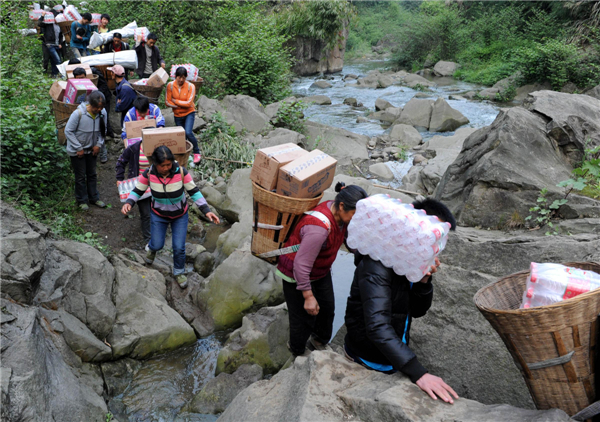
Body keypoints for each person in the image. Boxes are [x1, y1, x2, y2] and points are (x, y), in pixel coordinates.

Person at [343, 198, 459, 404]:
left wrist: (424, 281)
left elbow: (416, 310)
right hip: (368, 355)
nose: (433, 243)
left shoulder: (407, 259)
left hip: (391, 349)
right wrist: (418, 373)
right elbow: (377, 327)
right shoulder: (375, 265)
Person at [276, 182, 368, 357]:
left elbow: (346, 238)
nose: (357, 220)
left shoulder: (340, 214)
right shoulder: (318, 229)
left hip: (320, 270)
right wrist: (308, 296)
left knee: (327, 309)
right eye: (356, 215)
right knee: (302, 318)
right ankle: (297, 351)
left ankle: (318, 342)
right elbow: (301, 266)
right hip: (295, 274)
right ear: (342, 206)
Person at [121, 146, 220, 288]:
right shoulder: (149, 173)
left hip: (180, 215)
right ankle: (153, 249)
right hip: (158, 215)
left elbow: (194, 191)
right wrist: (129, 202)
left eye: (169, 164)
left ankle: (179, 272)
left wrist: (206, 210)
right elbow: (138, 190)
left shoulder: (180, 172)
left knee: (179, 247)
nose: (167, 168)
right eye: (163, 165)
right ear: (155, 163)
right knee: (157, 244)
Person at [64, 91, 108, 210]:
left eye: (101, 107)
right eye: (96, 107)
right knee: (80, 176)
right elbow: (68, 131)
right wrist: (78, 148)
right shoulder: (78, 113)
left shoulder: (103, 113)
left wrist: (98, 145)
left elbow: (103, 131)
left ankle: (94, 198)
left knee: (92, 174)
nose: (99, 109)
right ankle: (82, 200)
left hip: (92, 150)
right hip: (77, 151)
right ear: (90, 104)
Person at [70, 58, 115, 155]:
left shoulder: (92, 88)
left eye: (82, 78)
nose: (80, 80)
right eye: (78, 78)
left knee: (101, 129)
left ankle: (103, 153)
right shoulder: (72, 88)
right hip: (84, 114)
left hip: (97, 111)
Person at [115, 138, 153, 245]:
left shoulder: (158, 148)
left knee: (156, 210)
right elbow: (121, 162)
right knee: (145, 213)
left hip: (156, 184)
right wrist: (119, 178)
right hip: (140, 185)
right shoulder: (134, 149)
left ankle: (158, 235)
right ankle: (149, 241)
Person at [166, 67, 201, 164]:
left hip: (189, 112)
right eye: (179, 77)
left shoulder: (191, 86)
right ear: (175, 76)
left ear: (186, 77)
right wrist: (181, 104)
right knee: (181, 136)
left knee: (188, 132)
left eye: (183, 77)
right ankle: (183, 154)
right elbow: (167, 102)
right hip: (177, 115)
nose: (181, 80)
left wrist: (176, 101)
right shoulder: (170, 86)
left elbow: (189, 103)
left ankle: (197, 152)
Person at [37, 10, 64, 78]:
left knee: (53, 60)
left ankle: (54, 74)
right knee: (58, 60)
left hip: (57, 45)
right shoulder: (48, 24)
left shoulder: (59, 26)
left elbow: (60, 35)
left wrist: (60, 43)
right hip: (50, 44)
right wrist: (42, 16)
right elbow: (39, 23)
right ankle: (61, 74)